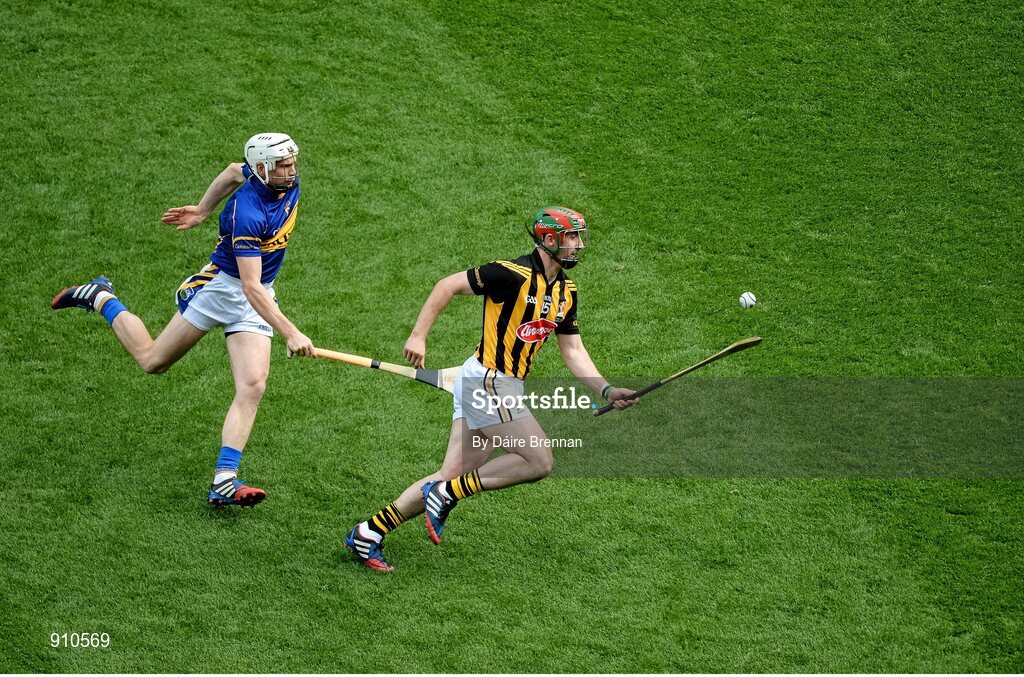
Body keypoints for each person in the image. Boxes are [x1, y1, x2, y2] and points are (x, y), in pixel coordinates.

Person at [344, 206, 637, 571]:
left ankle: (368, 533)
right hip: (489, 380)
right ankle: (447, 494)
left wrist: (607, 390)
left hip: (499, 383)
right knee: (539, 460)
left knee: (450, 474)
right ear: (549, 240)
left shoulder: (567, 292)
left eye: (579, 236)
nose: (579, 244)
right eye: (572, 237)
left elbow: (573, 350)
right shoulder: (509, 274)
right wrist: (418, 336)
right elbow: (447, 285)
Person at [51, 133, 315, 507]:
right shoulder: (246, 213)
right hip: (222, 290)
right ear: (262, 169)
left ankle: (225, 479)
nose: (291, 172)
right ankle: (100, 297)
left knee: (253, 385)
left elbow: (229, 172)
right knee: (152, 361)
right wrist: (290, 332)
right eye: (282, 166)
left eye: (292, 163)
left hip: (257, 294)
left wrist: (202, 209)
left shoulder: (275, 178)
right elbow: (250, 286)